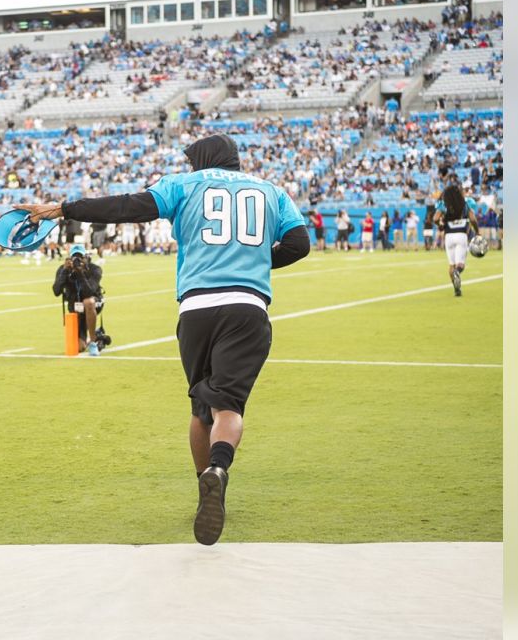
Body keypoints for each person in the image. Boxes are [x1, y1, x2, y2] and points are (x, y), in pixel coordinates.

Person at [17, 133, 310, 546]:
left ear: (203, 159)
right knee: (229, 405)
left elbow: (126, 207)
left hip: (195, 308)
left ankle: (202, 487)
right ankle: (219, 471)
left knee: (201, 404)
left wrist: (64, 209)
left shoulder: (182, 184)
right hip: (247, 305)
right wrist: (257, 259)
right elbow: (299, 244)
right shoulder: (272, 191)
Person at [52, 245, 104, 356]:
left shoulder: (94, 269)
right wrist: (65, 271)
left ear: (86, 257)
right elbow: (56, 291)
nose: (77, 260)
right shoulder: (63, 269)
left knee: (88, 302)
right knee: (79, 348)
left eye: (80, 257)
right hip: (75, 307)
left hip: (93, 304)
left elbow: (89, 292)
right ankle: (96, 335)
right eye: (75, 257)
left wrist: (80, 273)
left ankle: (93, 343)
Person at [433, 183, 479, 297]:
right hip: (461, 235)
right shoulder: (465, 204)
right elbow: (473, 219)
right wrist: (477, 231)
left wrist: (440, 226)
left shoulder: (444, 204)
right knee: (460, 264)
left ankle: (456, 290)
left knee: (451, 265)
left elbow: (435, 218)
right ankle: (457, 273)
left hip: (448, 236)